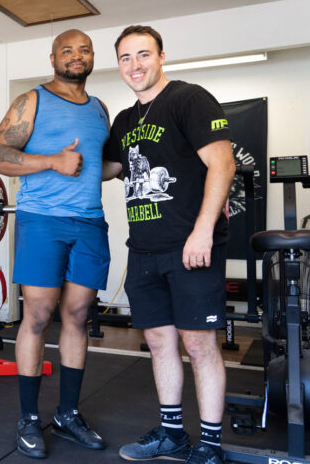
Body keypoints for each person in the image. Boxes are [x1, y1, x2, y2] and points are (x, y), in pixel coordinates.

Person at [103, 25, 236, 464]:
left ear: (161, 56)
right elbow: (109, 168)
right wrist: (53, 157)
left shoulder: (188, 99)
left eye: (143, 54)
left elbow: (223, 163)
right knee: (159, 344)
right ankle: (173, 435)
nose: (135, 65)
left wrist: (202, 230)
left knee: (199, 345)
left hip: (189, 247)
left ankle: (211, 445)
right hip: (143, 251)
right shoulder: (125, 121)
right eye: (125, 57)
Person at [0, 29, 110, 459]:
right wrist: (52, 161)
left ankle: (68, 414)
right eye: (68, 50)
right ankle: (27, 418)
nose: (77, 56)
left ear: (93, 58)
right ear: (53, 57)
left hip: (90, 223)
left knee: (77, 314)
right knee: (37, 314)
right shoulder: (31, 100)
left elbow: (98, 166)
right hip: (42, 221)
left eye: (84, 50)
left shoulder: (99, 109)